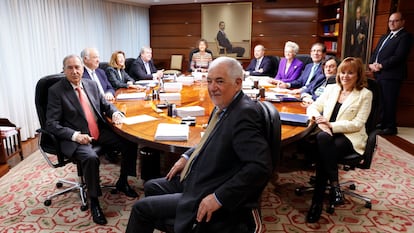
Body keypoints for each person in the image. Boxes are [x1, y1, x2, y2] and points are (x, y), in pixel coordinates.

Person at [125, 57, 273, 233]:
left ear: (238, 83)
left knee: (140, 209)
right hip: (198, 176)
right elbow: (208, 139)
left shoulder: (244, 113)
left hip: (208, 188)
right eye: (209, 81)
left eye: (219, 81)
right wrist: (186, 156)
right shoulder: (224, 107)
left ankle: (184, 221)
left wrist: (218, 198)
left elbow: (260, 166)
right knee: (151, 186)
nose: (212, 88)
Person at [46, 55, 139, 225]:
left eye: (77, 67)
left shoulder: (91, 84)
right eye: (70, 68)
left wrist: (115, 113)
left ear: (82, 68)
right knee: (90, 157)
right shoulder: (56, 91)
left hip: (97, 131)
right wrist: (75, 135)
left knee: (129, 142)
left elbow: (105, 104)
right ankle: (94, 201)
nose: (74, 71)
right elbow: (51, 124)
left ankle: (123, 181)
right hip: (75, 137)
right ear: (64, 70)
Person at [305, 57, 373, 223]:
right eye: (343, 72)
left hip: (349, 137)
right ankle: (334, 187)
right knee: (323, 142)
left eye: (351, 73)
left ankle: (317, 203)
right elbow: (313, 106)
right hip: (326, 134)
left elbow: (358, 124)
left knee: (322, 146)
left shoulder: (365, 94)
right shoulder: (331, 89)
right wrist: (319, 118)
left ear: (358, 75)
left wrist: (331, 126)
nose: (345, 76)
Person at [368, 12, 412, 135]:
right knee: (381, 101)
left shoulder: (405, 37)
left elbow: (399, 56)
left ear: (402, 22)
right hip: (379, 74)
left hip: (392, 76)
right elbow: (375, 52)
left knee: (389, 101)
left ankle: (391, 127)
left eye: (395, 21)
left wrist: (381, 65)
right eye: (390, 21)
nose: (392, 23)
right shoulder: (385, 37)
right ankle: (382, 123)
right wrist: (371, 64)